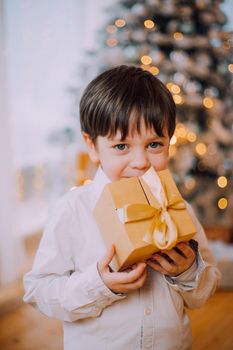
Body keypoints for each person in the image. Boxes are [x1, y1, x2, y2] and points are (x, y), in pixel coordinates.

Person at [23, 65, 220, 350]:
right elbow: (38, 290)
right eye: (121, 146)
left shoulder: (179, 209)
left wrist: (188, 271)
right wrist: (99, 284)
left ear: (169, 143)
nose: (140, 162)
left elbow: (205, 290)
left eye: (154, 144)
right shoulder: (73, 211)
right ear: (92, 145)